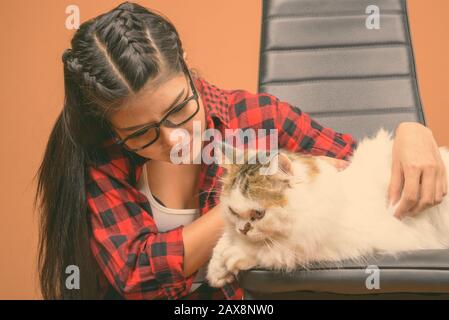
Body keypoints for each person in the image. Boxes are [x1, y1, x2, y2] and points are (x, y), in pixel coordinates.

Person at [35, 2, 447, 300]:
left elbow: (353, 175)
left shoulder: (258, 118)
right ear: (113, 129)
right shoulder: (101, 157)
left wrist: (410, 133)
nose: (175, 140)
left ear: (187, 70)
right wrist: (243, 206)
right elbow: (138, 277)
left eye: (180, 109)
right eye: (142, 134)